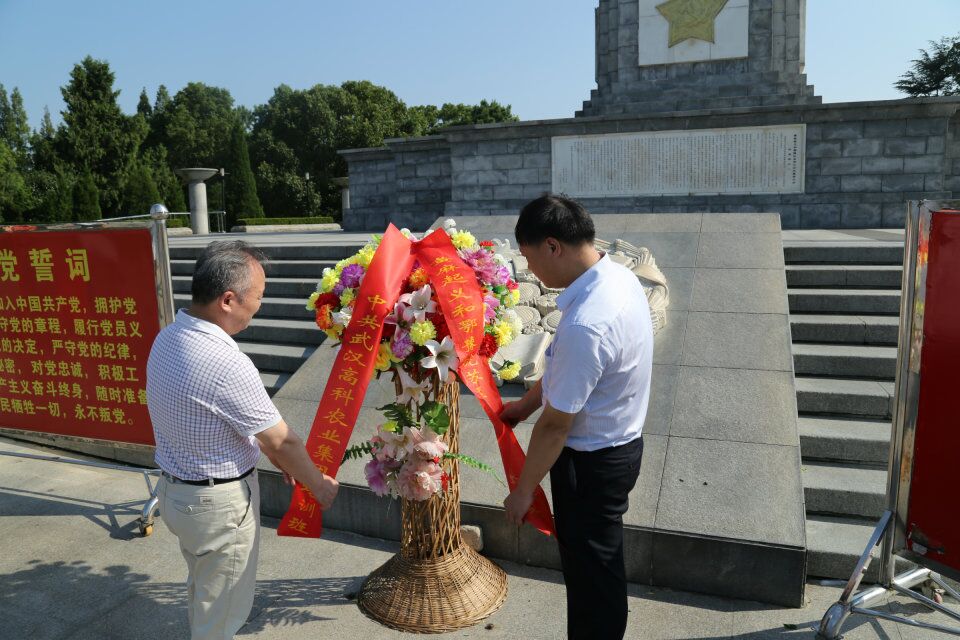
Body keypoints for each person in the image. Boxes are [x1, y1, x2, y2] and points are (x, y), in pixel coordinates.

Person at [146, 240, 338, 639]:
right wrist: (317, 484)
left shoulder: (167, 337)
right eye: (259, 296)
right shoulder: (226, 362)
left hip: (177, 494)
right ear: (229, 299)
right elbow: (280, 442)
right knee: (222, 614)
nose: (260, 306)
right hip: (217, 507)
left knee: (206, 590)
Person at [501, 195, 653, 640]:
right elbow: (561, 374)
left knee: (593, 581)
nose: (531, 272)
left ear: (553, 246)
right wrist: (522, 407)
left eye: (530, 258)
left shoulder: (589, 322)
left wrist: (523, 491)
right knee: (599, 568)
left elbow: (556, 425)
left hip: (591, 464)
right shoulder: (616, 278)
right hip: (617, 447)